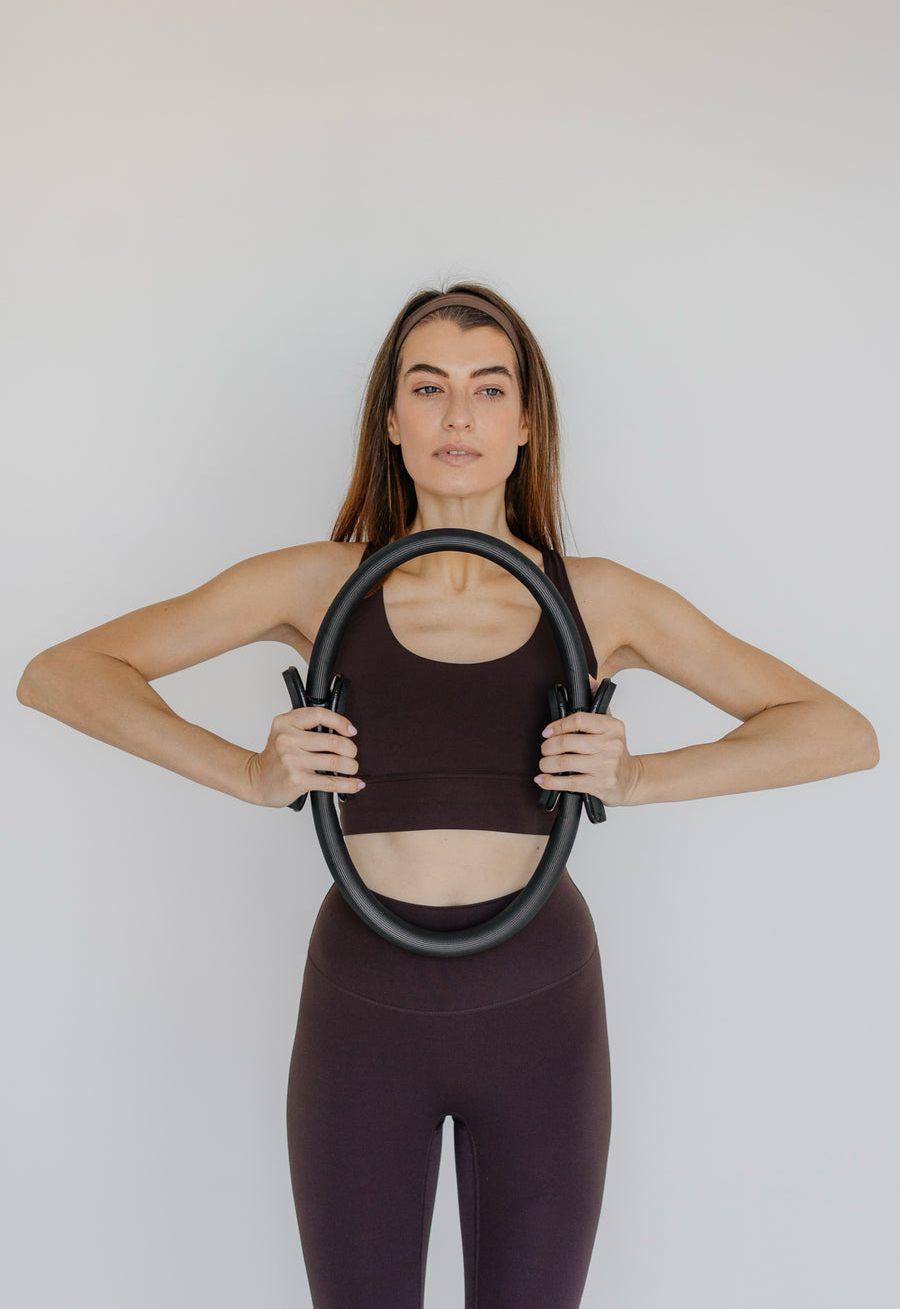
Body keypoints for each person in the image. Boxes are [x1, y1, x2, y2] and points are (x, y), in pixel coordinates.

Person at [17, 282, 879, 1308]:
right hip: (364, 1003)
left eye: (488, 388)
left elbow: (839, 732)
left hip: (540, 1004)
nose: (458, 415)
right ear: (391, 419)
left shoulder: (599, 598)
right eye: (428, 388)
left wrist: (643, 777)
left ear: (525, 422)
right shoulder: (316, 585)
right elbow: (62, 674)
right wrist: (248, 773)